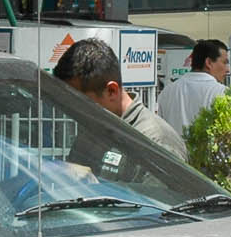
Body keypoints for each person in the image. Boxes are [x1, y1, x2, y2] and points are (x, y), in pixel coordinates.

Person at [53, 38, 188, 158]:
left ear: (112, 91)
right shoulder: (92, 130)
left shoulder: (156, 141)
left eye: (80, 102)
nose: (75, 110)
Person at [158, 38, 231, 137]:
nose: (227, 70)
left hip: (171, 152)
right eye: (224, 62)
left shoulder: (167, 92)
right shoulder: (222, 93)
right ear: (209, 63)